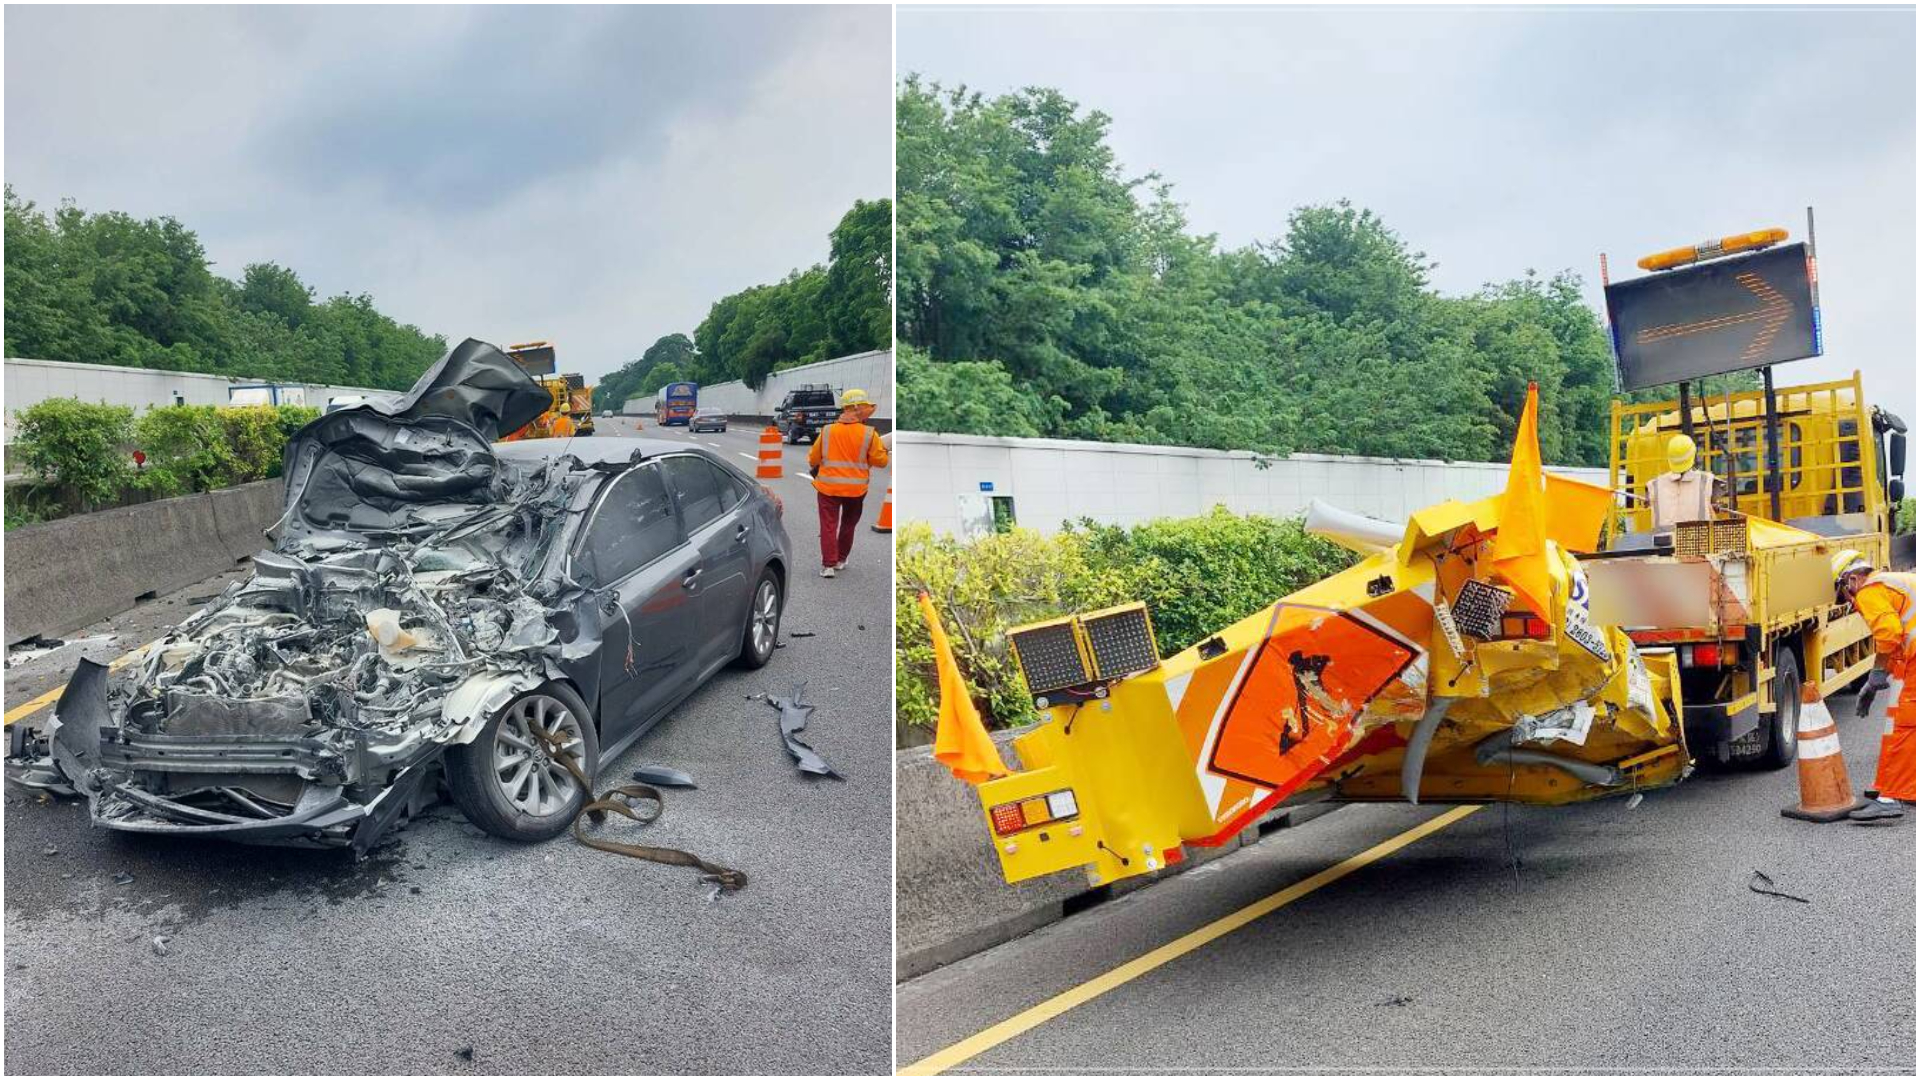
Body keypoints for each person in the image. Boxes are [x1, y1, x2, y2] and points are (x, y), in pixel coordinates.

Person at [1832, 549, 1915, 822]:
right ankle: (1902, 788)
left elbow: (1890, 635)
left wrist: (1877, 674)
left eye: (1843, 592)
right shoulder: (1890, 582)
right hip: (1911, 660)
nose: (1847, 601)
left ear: (1852, 580)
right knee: (1901, 723)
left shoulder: (1869, 590)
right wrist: (1877, 677)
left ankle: (1890, 798)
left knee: (1906, 724)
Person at [808, 387, 888, 578]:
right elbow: (881, 462)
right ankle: (841, 560)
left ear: (845, 409)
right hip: (856, 490)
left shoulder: (827, 431)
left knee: (828, 525)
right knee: (848, 525)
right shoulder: (870, 434)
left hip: (828, 488)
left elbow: (813, 458)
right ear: (859, 409)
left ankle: (828, 566)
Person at [1645, 433, 1722, 532]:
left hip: (1663, 544)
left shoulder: (1654, 485)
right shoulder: (1706, 480)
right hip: (1699, 542)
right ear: (1693, 455)